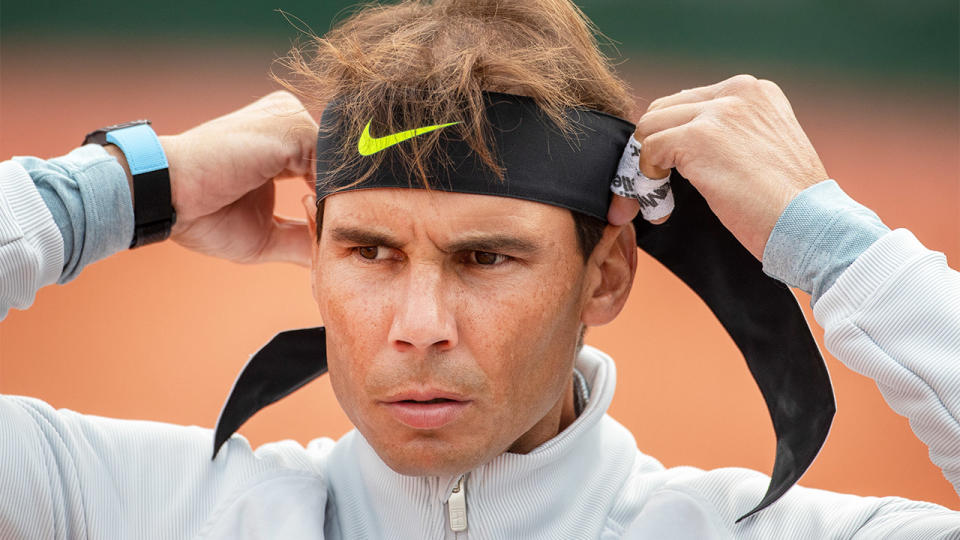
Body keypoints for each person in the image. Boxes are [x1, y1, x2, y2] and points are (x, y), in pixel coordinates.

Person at [1, 0, 958, 538]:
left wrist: (831, 244)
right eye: (370, 250)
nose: (419, 323)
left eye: (486, 257)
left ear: (607, 276)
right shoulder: (139, 509)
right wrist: (121, 187)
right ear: (318, 259)